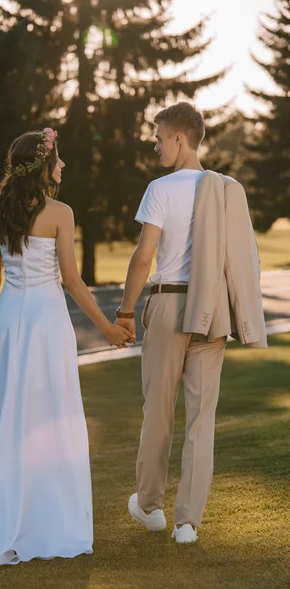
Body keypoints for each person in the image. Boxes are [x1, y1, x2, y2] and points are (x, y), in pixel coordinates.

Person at [0, 127, 133, 569]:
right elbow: (72, 281)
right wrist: (107, 327)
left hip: (9, 322)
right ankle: (48, 525)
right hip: (47, 322)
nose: (63, 166)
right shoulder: (61, 213)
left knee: (8, 418)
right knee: (50, 416)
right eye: (58, 159)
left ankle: (1, 524)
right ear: (43, 165)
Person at [115, 102, 266, 544]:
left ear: (179, 138)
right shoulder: (226, 189)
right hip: (211, 310)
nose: (156, 145)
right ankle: (187, 523)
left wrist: (125, 313)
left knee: (158, 412)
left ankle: (149, 506)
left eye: (159, 137)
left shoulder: (160, 189)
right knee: (202, 418)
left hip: (167, 308)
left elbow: (144, 258)